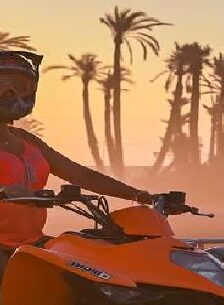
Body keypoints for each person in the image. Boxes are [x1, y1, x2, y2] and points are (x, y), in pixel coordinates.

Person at [0, 51, 153, 278]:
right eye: (3, 86)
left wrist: (140, 195)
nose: (11, 93)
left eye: (20, 86)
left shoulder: (28, 140)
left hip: (31, 245)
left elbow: (79, 174)